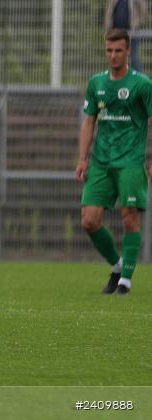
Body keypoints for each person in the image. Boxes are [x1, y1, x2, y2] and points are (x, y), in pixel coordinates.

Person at [76, 28, 152, 295]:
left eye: (118, 50)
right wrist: (83, 158)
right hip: (101, 162)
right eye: (109, 50)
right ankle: (118, 265)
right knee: (89, 219)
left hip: (131, 161)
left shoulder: (142, 84)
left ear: (128, 51)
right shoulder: (97, 83)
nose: (113, 55)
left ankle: (126, 281)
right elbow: (89, 121)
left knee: (129, 217)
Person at [104, 0, 147, 71]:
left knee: (134, 57)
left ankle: (138, 80)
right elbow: (109, 10)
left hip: (132, 33)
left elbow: (144, 12)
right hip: (117, 32)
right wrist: (108, 25)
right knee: (116, 56)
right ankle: (118, 79)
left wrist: (137, 24)